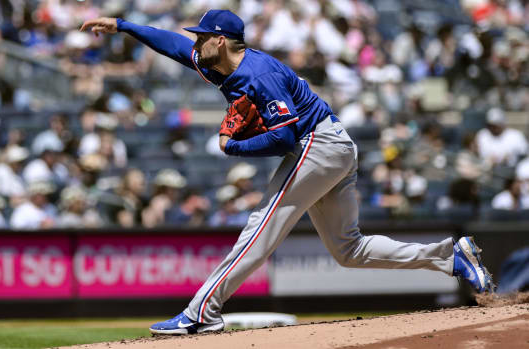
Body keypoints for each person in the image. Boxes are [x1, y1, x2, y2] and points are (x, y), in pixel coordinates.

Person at [81, 10, 494, 335]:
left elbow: (284, 137)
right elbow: (172, 44)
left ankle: (199, 313)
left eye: (203, 36)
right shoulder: (219, 62)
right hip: (332, 146)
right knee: (349, 250)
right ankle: (451, 257)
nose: (196, 42)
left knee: (260, 229)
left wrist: (233, 147)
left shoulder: (257, 75)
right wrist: (122, 25)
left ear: (220, 40)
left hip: (318, 144)